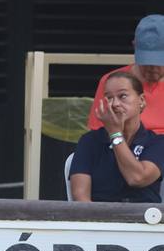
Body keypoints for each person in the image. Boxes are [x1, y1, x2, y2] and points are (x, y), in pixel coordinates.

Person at [69, 71, 164, 202]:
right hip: (99, 218)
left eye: (122, 96)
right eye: (109, 98)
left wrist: (115, 134)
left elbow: (137, 178)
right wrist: (97, 221)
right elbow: (80, 196)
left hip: (145, 219)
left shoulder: (157, 142)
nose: (114, 104)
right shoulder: (90, 141)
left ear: (141, 100)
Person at [87, 14, 164, 134]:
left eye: (159, 61)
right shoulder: (112, 82)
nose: (152, 67)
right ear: (134, 47)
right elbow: (97, 134)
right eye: (146, 60)